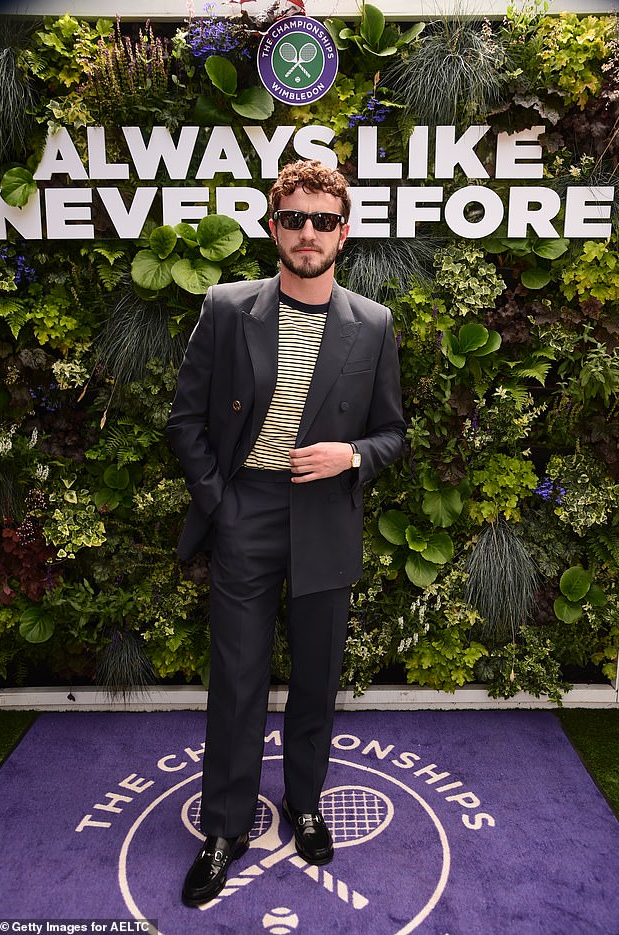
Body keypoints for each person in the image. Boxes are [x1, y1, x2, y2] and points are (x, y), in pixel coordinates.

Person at [166, 159, 405, 908]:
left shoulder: (374, 322)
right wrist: (224, 502)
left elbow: (394, 432)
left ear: (345, 230)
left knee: (316, 678)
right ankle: (225, 827)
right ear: (273, 227)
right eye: (295, 219)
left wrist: (354, 455)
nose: (309, 233)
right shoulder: (229, 306)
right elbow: (185, 421)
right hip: (250, 511)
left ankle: (305, 804)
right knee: (235, 681)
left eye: (323, 220)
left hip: (327, 511)